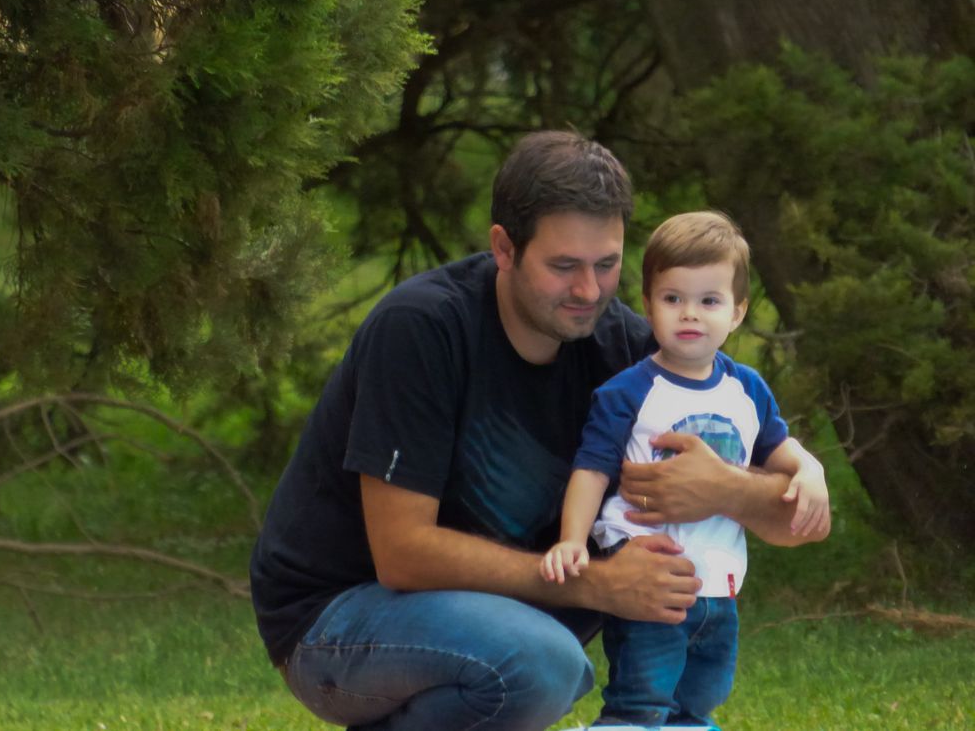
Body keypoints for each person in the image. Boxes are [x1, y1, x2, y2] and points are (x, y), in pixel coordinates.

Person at [249, 132, 826, 731]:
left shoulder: (629, 354)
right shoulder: (422, 329)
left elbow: (801, 520)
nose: (588, 290)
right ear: (504, 247)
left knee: (544, 659)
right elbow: (402, 555)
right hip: (338, 619)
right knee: (542, 664)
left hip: (512, 619)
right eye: (563, 266)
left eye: (607, 265)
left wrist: (731, 488)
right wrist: (598, 585)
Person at [540, 210, 831, 728]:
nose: (690, 314)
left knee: (700, 699)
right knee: (642, 704)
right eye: (673, 299)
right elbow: (591, 469)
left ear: (738, 312)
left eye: (709, 301)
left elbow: (779, 449)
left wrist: (810, 470)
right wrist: (573, 539)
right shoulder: (629, 390)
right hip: (651, 581)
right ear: (649, 305)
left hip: (719, 586)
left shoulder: (747, 390)